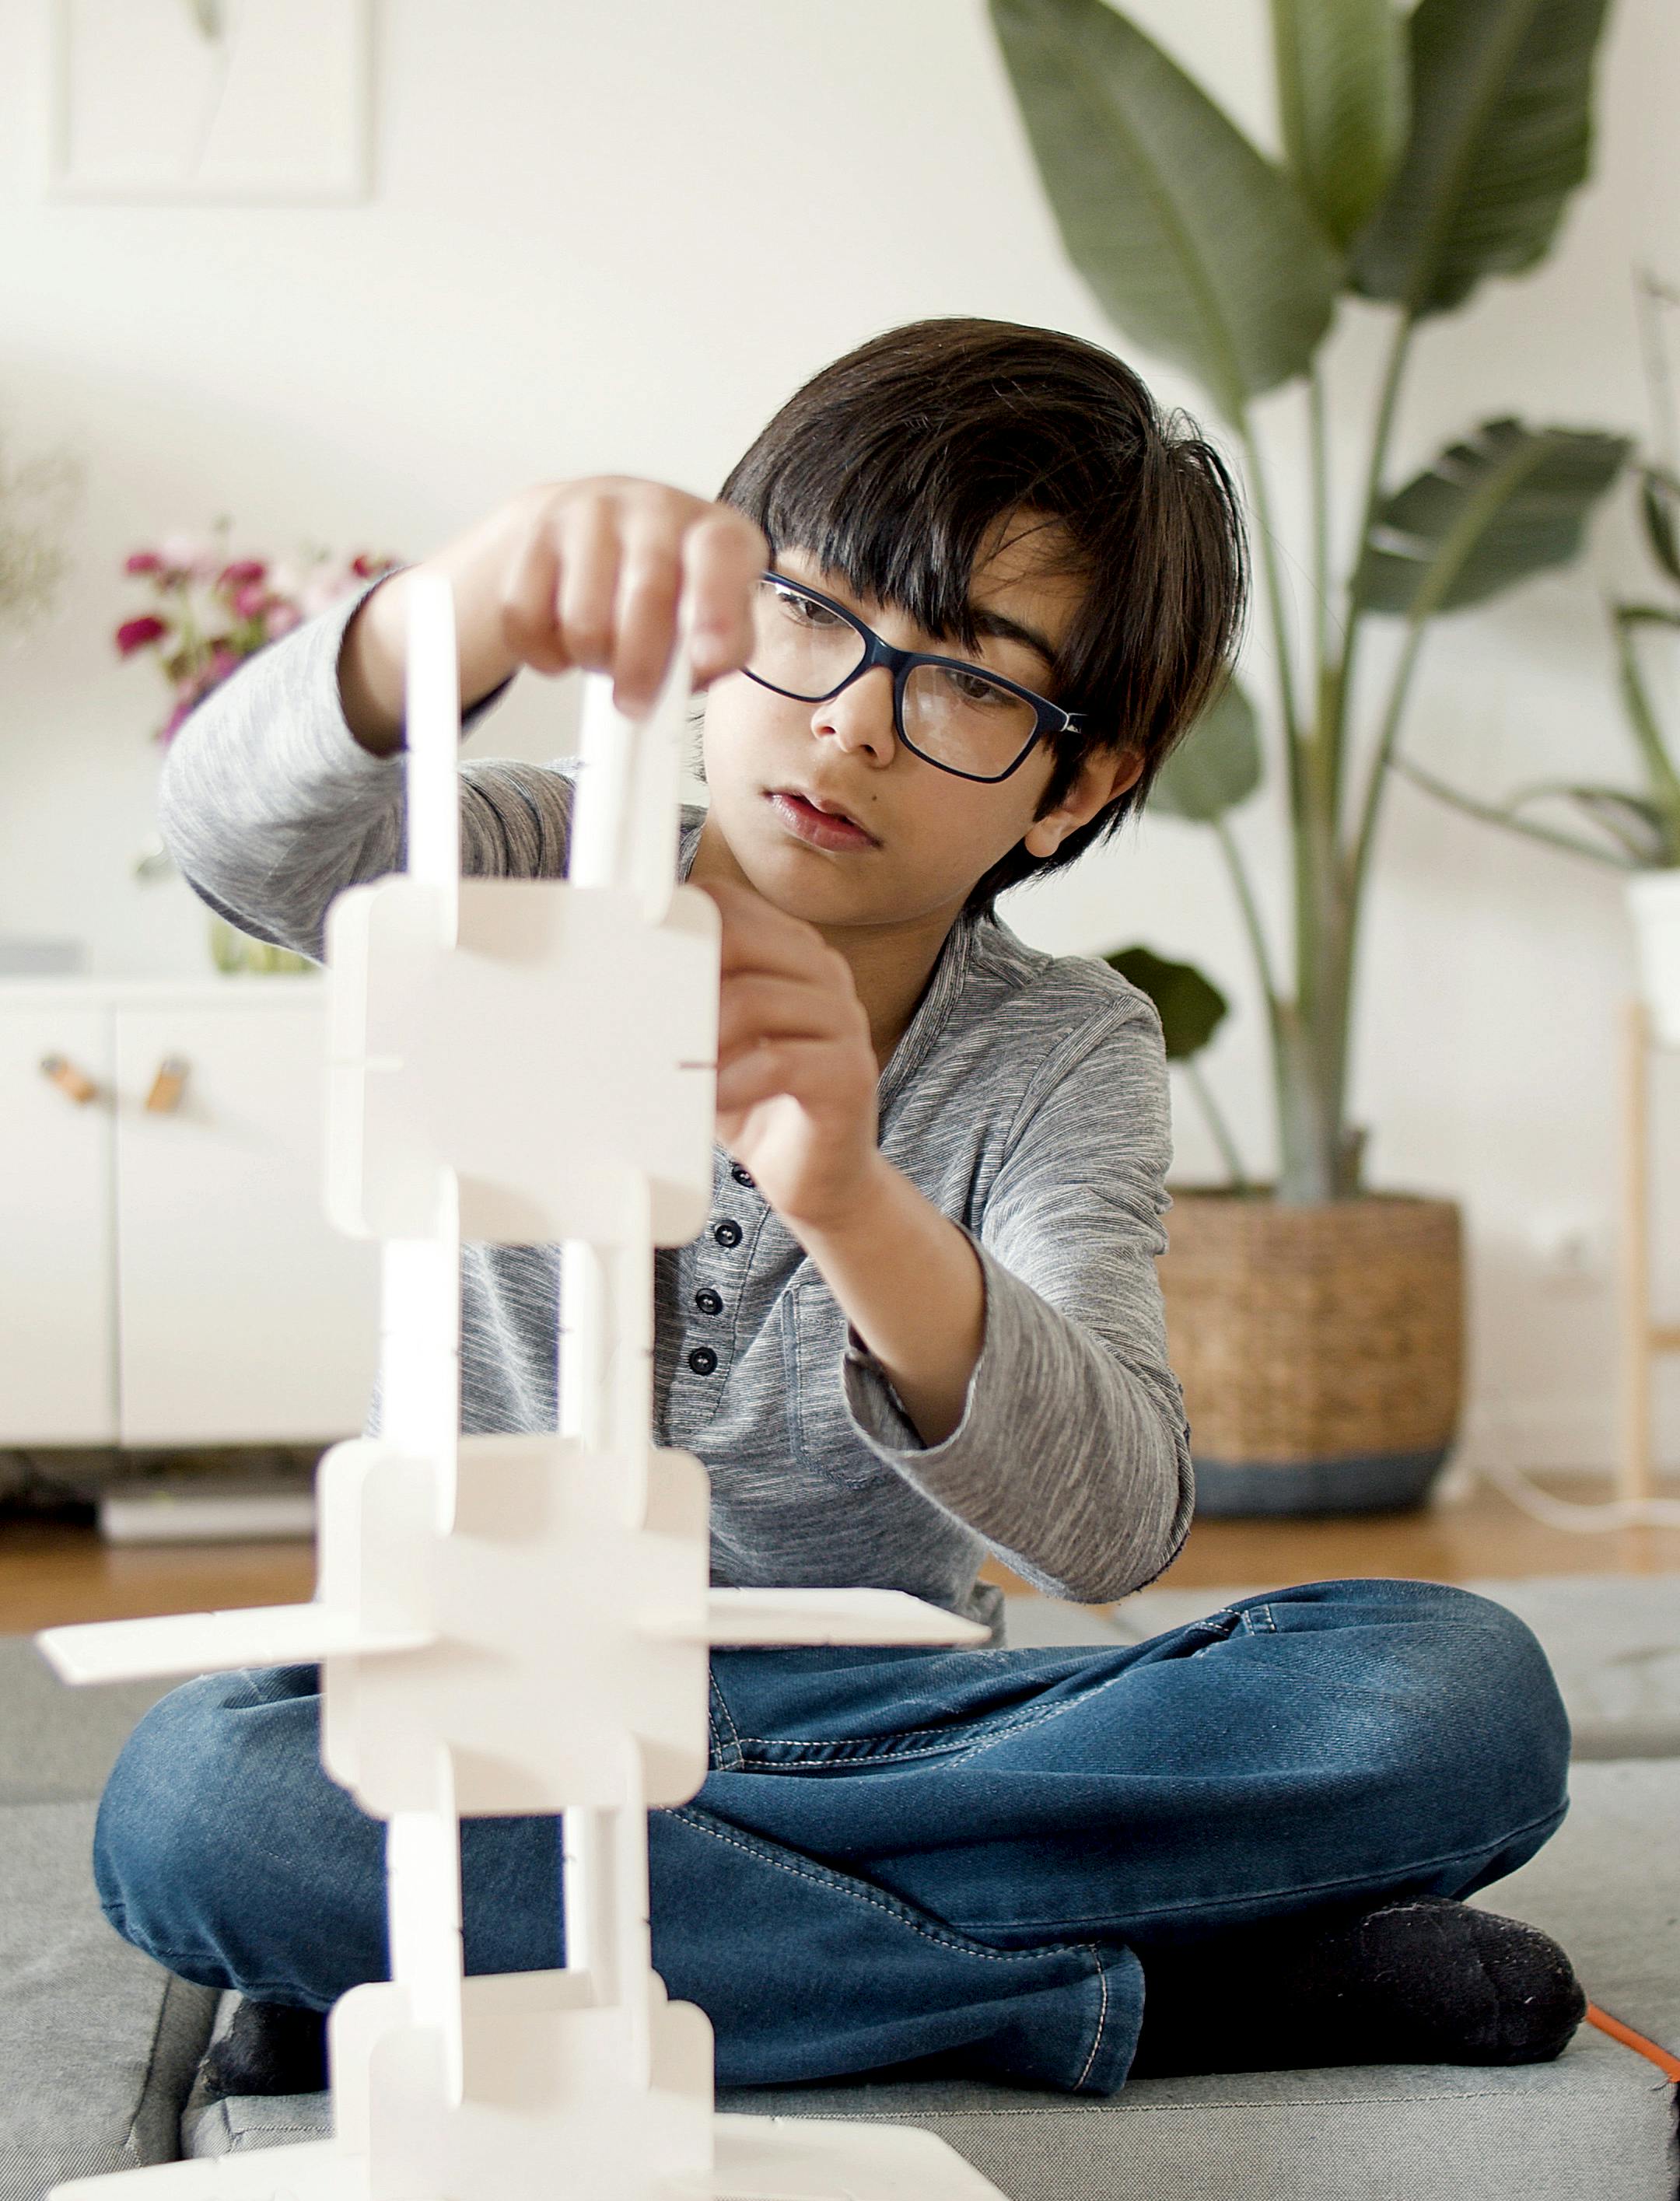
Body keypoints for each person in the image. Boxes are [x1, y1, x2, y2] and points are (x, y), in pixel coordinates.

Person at [96, 318, 1582, 2102]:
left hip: (892, 1722)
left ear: (1076, 782)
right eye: (810, 614)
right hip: (494, 1707)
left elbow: (1114, 1522)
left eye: (967, 683)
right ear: (722, 611)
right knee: (201, 1800)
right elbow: (235, 839)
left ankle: (517, 1952)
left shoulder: (1063, 1045)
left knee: (1454, 1694)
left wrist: (850, 1195)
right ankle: (1121, 1999)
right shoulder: (530, 868)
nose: (846, 724)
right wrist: (465, 606)